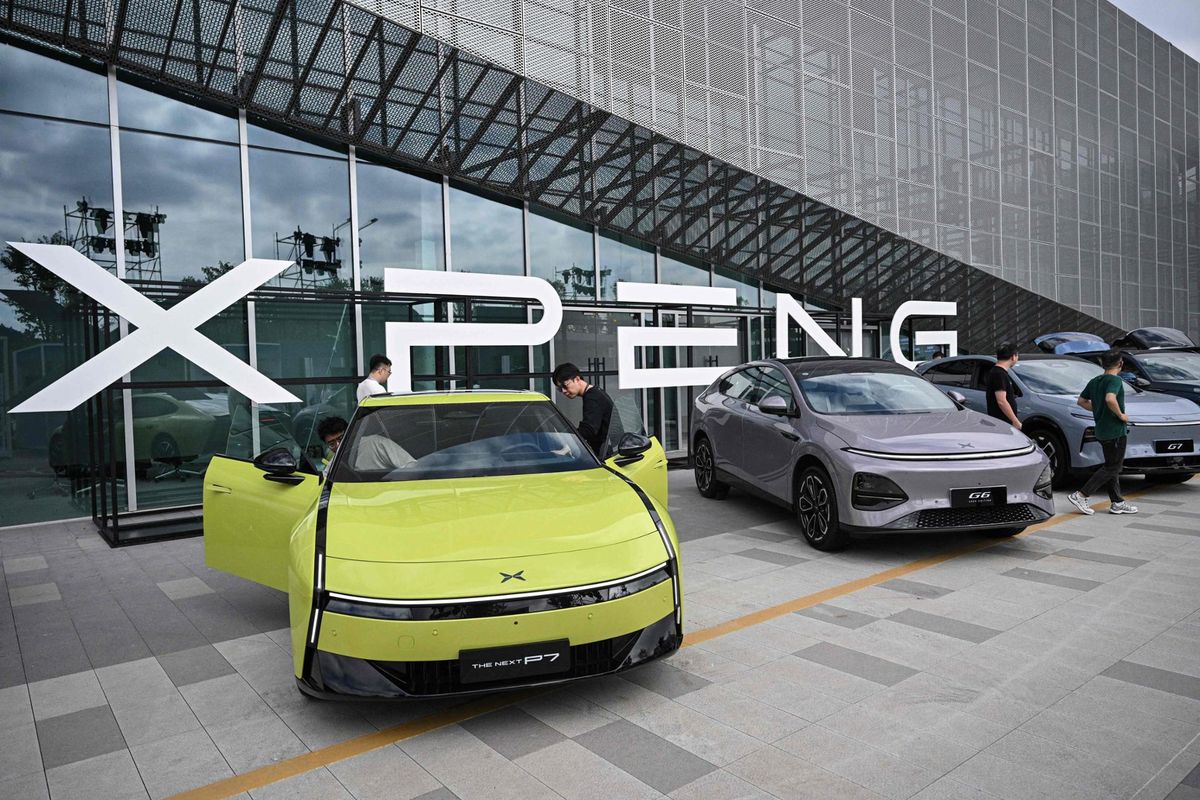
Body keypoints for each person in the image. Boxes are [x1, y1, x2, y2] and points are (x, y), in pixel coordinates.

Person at [1069, 350, 1138, 515]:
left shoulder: (1095, 381)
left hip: (1101, 430)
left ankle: (1117, 502)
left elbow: (1081, 401)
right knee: (1113, 467)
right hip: (1115, 430)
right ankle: (1081, 494)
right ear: (1120, 364)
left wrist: (1098, 408)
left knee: (1111, 466)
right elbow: (1110, 398)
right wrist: (1121, 415)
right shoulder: (1115, 380)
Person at [553, 362, 617, 458]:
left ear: (577, 379)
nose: (563, 391)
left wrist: (569, 441)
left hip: (604, 456)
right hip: (608, 451)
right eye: (560, 389)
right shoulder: (596, 392)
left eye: (565, 385)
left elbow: (589, 430)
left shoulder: (592, 398)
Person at [984, 343, 1022, 430]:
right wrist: (1015, 421)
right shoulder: (999, 374)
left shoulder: (997, 372)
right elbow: (1001, 401)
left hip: (1001, 422)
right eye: (1017, 356)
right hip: (1002, 423)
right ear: (1013, 357)